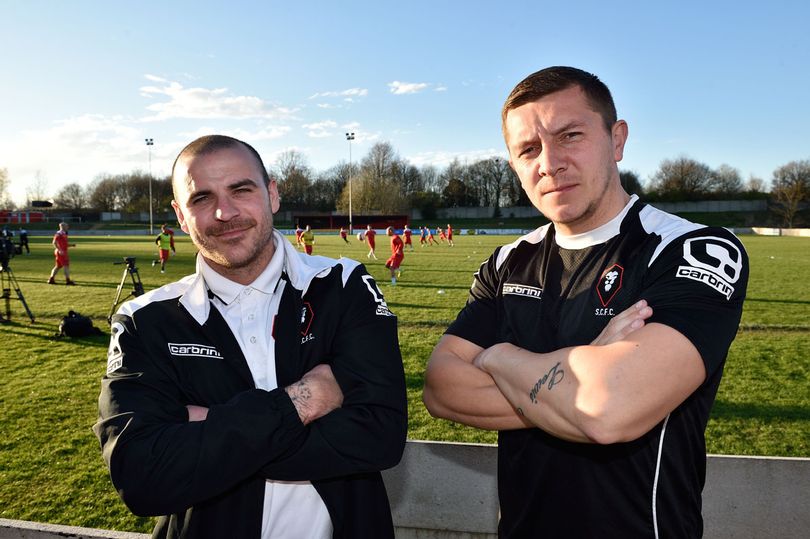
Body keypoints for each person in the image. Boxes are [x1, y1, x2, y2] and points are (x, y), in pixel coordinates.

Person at [422, 66, 749, 538]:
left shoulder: (689, 248)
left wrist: (500, 356)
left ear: (617, 140)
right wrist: (585, 372)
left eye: (570, 135)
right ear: (514, 164)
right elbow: (440, 386)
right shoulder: (509, 262)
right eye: (528, 149)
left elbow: (610, 408)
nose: (549, 163)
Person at [94, 135, 407, 539]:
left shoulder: (342, 284)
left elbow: (379, 436)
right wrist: (303, 400)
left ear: (272, 194)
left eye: (241, 189)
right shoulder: (145, 319)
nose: (225, 212)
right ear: (180, 215)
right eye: (201, 198)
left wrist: (205, 428)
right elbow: (144, 475)